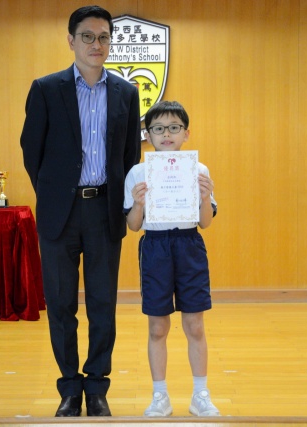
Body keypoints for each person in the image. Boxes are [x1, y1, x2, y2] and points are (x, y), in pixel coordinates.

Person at [20, 5, 141, 418]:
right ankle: (70, 387)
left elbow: (129, 156)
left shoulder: (126, 93)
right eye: (87, 36)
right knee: (61, 304)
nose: (96, 44)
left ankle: (98, 386)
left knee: (103, 304)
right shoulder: (46, 89)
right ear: (71, 40)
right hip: (61, 213)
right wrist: (55, 194)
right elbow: (31, 151)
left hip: (105, 211)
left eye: (104, 37)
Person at [123, 101, 220, 417]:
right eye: (159, 128)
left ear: (186, 133)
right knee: (157, 327)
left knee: (195, 324)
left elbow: (205, 222)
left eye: (174, 128)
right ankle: (160, 396)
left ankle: (200, 395)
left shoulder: (199, 169)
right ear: (148, 134)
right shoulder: (138, 172)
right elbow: (133, 226)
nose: (167, 134)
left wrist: (204, 196)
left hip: (189, 245)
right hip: (155, 247)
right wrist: (138, 203)